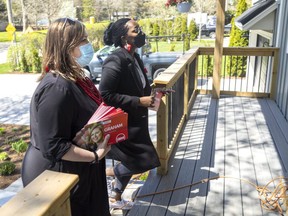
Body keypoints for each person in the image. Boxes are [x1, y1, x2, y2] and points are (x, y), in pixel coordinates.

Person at [21, 18, 111, 216]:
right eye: (83, 40)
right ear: (67, 46)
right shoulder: (57, 87)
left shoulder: (77, 78)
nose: (89, 45)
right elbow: (53, 145)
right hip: (60, 176)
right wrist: (96, 155)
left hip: (80, 169)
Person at [99, 18, 161, 208]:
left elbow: (137, 85)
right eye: (136, 30)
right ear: (123, 36)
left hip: (137, 121)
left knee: (136, 160)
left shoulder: (134, 56)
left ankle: (115, 197)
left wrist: (152, 95)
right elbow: (105, 94)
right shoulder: (115, 59)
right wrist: (138, 101)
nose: (141, 33)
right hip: (124, 123)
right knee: (144, 161)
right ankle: (111, 173)